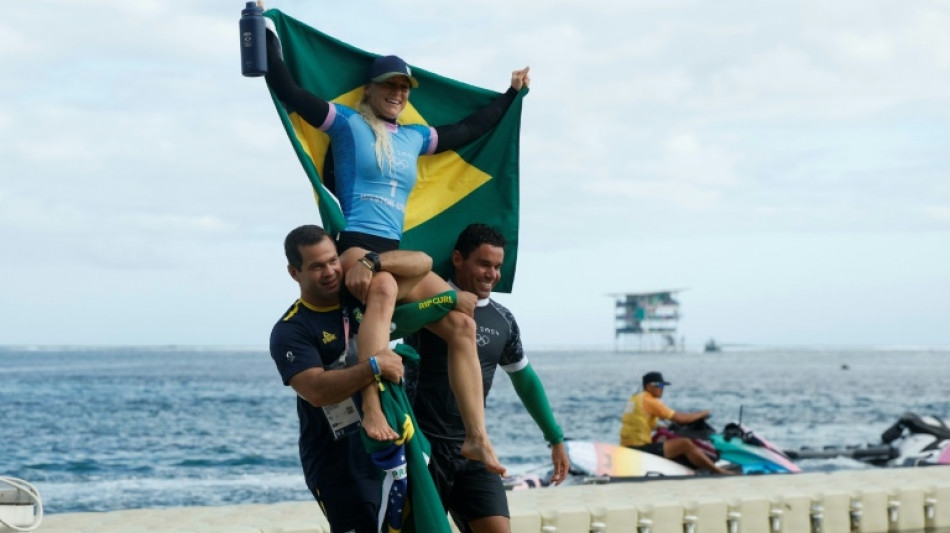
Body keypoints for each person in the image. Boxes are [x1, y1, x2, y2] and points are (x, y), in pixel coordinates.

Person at [261, 8, 528, 475]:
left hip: (394, 254)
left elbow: (470, 130)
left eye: (404, 89)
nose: (398, 94)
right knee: (383, 286)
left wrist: (511, 93)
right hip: (355, 247)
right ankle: (371, 406)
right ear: (371, 90)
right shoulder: (344, 122)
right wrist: (266, 30)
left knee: (463, 320)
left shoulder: (414, 139)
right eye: (390, 86)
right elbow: (288, 89)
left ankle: (476, 439)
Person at [405, 224, 570, 533]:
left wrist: (555, 438)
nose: (492, 274)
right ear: (457, 258)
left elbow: (525, 380)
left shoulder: (502, 319)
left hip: (473, 447)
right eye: (484, 264)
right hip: (423, 446)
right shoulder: (427, 303)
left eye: (497, 266)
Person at [269, 224, 415, 533]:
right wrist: (374, 366)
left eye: (333, 260)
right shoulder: (291, 330)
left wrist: (373, 261)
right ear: (294, 273)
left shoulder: (360, 295)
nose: (330, 271)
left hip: (391, 445)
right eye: (317, 266)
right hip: (338, 465)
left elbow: (421, 265)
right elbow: (317, 390)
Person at [619, 371, 733, 475]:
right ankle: (717, 470)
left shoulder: (635, 399)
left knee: (666, 439)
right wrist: (701, 414)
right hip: (639, 448)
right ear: (649, 386)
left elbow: (640, 422)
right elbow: (679, 418)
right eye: (659, 385)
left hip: (627, 445)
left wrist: (661, 427)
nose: (662, 388)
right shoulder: (650, 401)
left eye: (663, 386)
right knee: (685, 444)